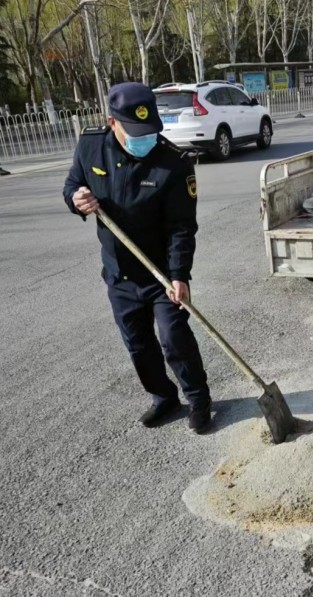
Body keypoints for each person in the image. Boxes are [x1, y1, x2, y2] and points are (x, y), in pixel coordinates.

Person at [63, 82, 212, 433]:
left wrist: (179, 274)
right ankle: (164, 398)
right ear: (111, 122)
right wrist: (76, 200)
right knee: (137, 343)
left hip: (161, 272)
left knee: (174, 338)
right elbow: (71, 186)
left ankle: (199, 400)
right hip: (119, 273)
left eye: (149, 130)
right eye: (135, 131)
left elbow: (181, 226)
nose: (145, 138)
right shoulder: (90, 147)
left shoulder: (174, 163)